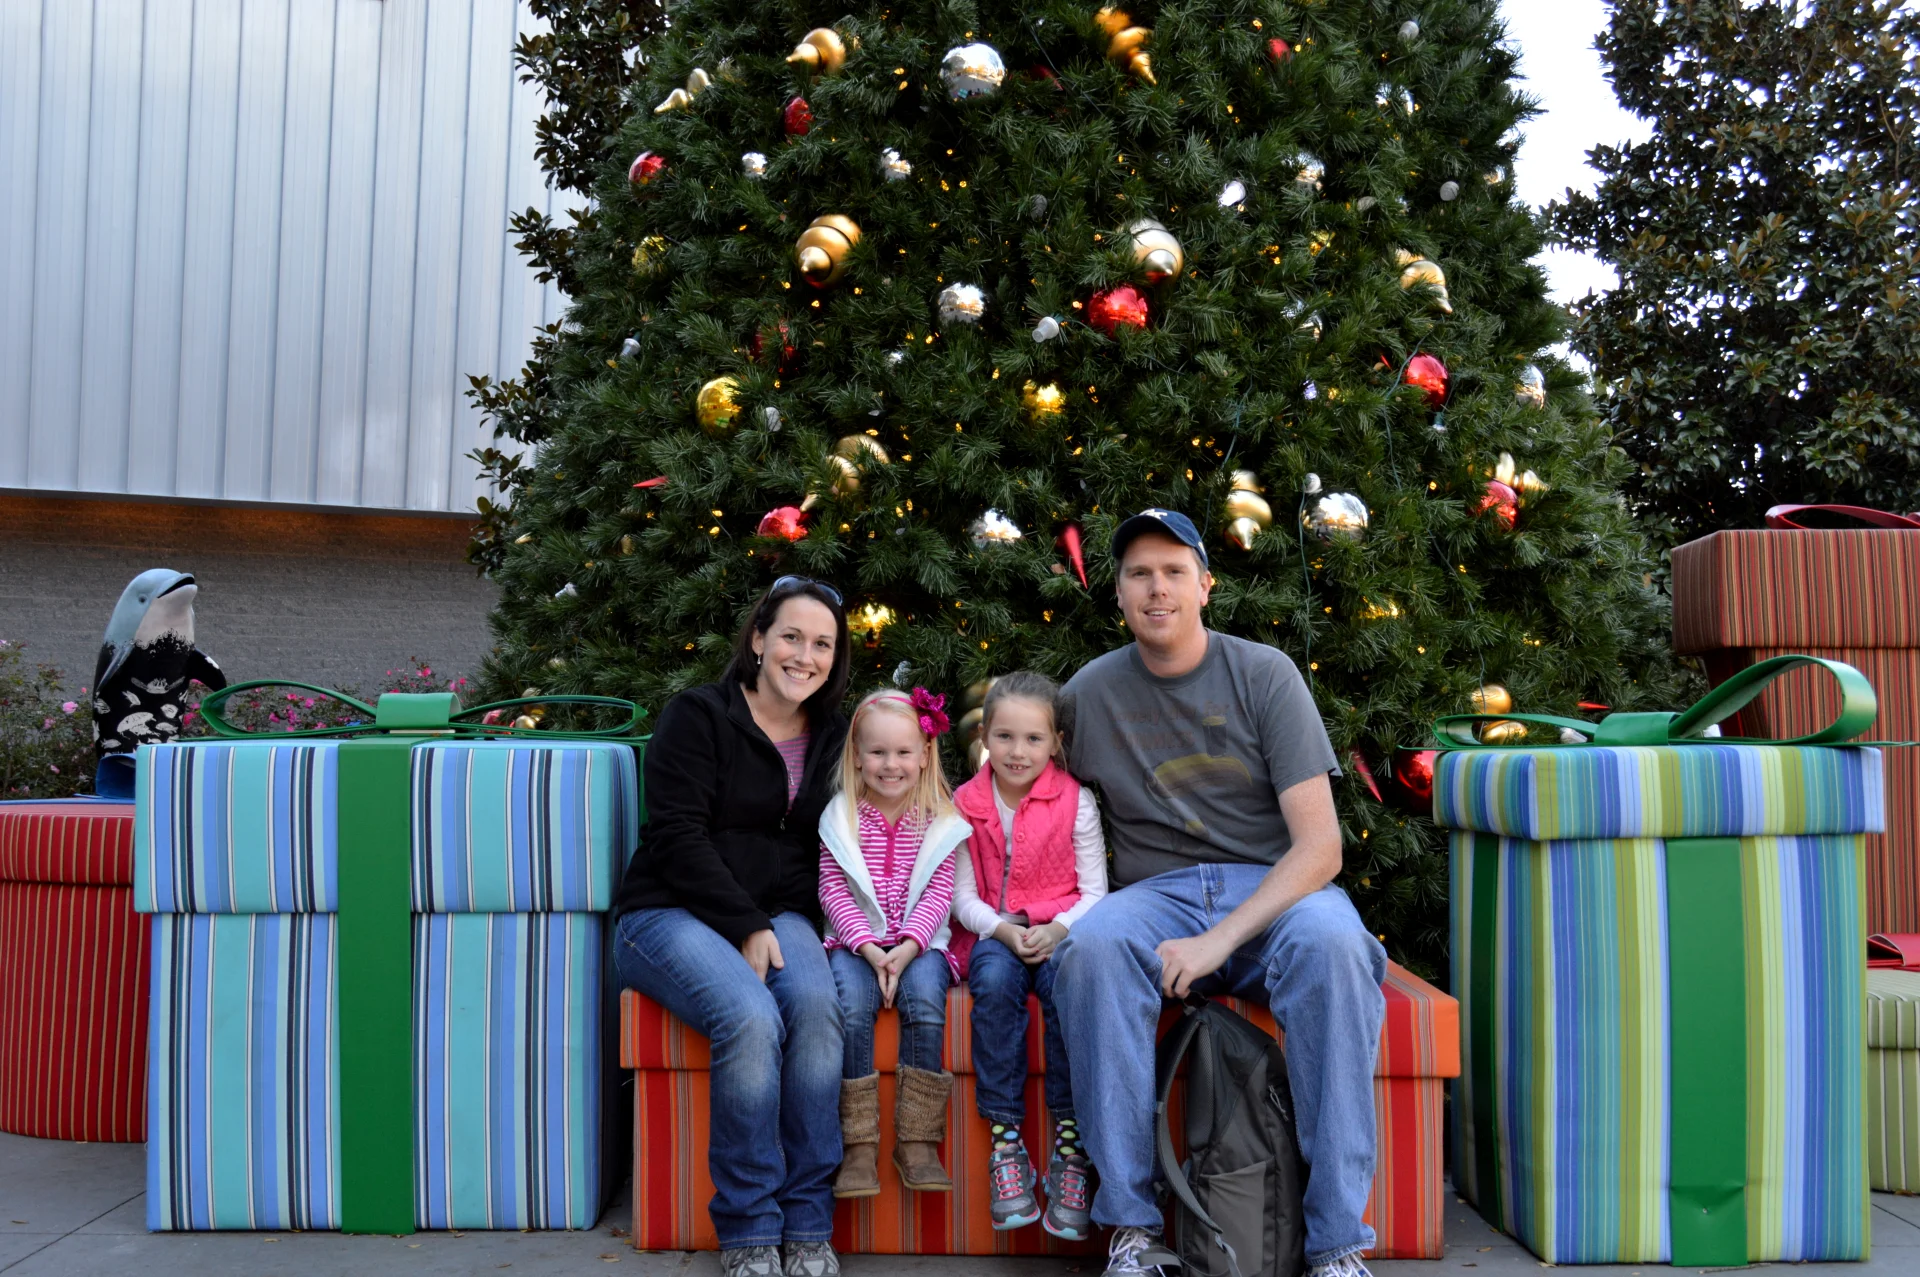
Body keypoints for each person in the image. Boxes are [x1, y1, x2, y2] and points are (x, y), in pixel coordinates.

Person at [1053, 510, 1389, 1277]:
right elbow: (1022, 793)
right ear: (1118, 592)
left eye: (1174, 571)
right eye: (1139, 573)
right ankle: (1132, 1230)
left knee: (1337, 946)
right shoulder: (1085, 695)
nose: (1157, 588)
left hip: (1276, 889)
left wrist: (1220, 938)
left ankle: (1338, 1244)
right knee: (1092, 948)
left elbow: (1321, 848)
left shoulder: (1265, 674)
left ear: (1205, 585)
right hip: (1156, 894)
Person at [613, 577, 853, 1277]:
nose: (804, 656)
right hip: (667, 912)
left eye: (822, 644)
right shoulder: (699, 715)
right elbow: (677, 836)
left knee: (817, 1007)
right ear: (757, 639)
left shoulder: (834, 735)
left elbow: (842, 842)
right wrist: (744, 922)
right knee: (750, 1017)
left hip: (777, 914)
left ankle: (807, 1224)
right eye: (791, 637)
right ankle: (749, 1229)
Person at [949, 671, 1108, 1240]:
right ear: (984, 736)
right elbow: (960, 896)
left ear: (1056, 742)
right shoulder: (965, 804)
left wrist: (1060, 929)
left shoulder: (1075, 801)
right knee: (993, 986)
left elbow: (1095, 892)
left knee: (1070, 989)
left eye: (1034, 739)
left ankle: (1070, 1148)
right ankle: (1006, 1145)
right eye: (1005, 737)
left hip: (1061, 933)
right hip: (995, 934)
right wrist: (1001, 930)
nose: (1018, 752)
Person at [817, 686, 969, 1198]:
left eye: (904, 752)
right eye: (878, 752)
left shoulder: (938, 819)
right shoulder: (841, 817)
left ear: (924, 755)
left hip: (919, 944)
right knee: (850, 1005)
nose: (890, 764)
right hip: (852, 944)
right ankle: (858, 1145)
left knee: (925, 1000)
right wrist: (866, 947)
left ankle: (918, 1140)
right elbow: (832, 890)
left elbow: (940, 892)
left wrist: (907, 947)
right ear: (857, 756)